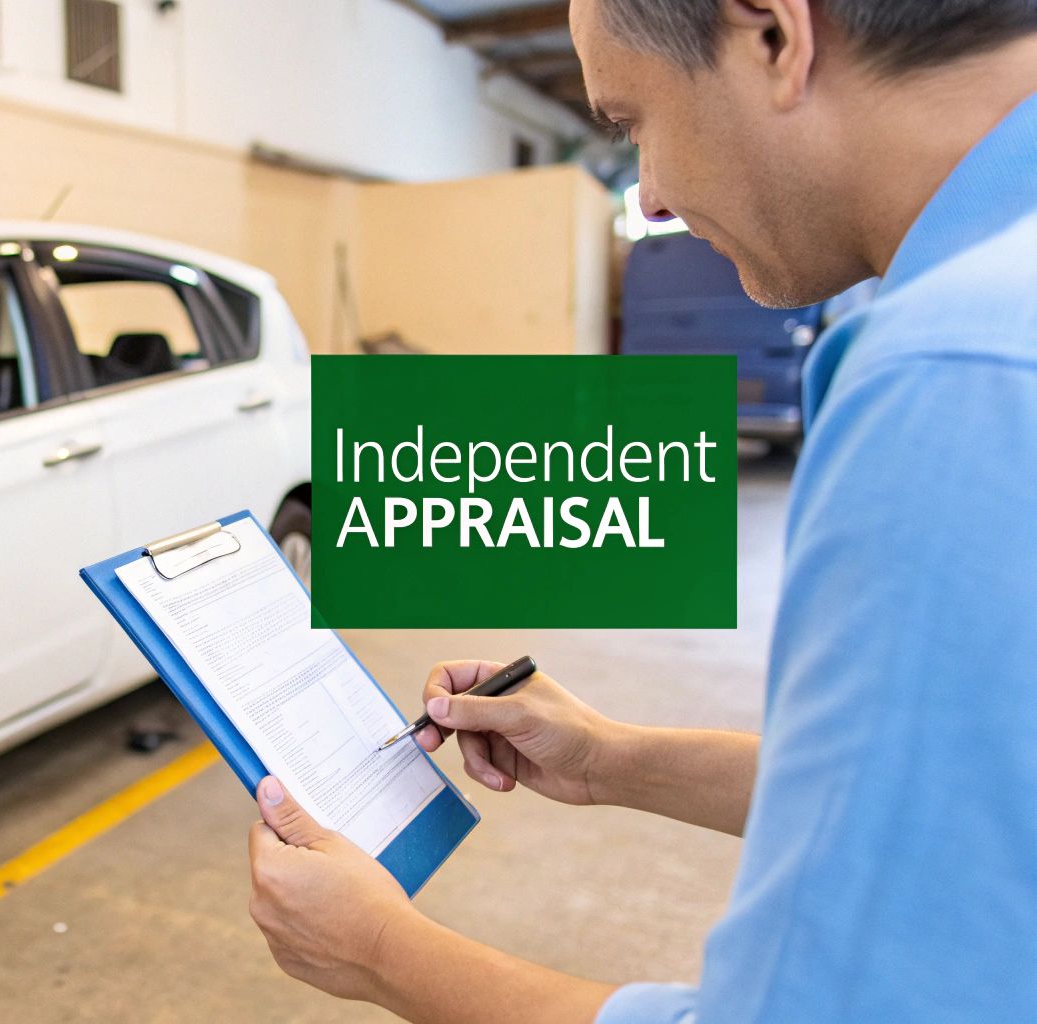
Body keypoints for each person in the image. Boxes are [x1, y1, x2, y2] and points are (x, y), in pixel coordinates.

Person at [245, 0, 1037, 1020]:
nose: (650, 199)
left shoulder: (955, 376)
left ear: (772, 37)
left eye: (632, 122)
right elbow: (955, 810)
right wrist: (612, 757)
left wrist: (383, 953)